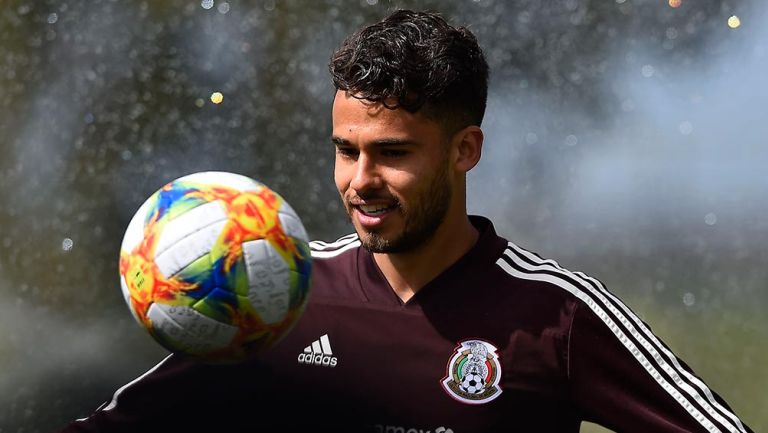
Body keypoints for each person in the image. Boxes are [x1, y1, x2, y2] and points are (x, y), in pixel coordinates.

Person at [60, 9, 753, 433]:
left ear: (464, 150)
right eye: (345, 150)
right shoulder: (274, 295)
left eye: (392, 154)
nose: (361, 181)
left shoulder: (557, 316)